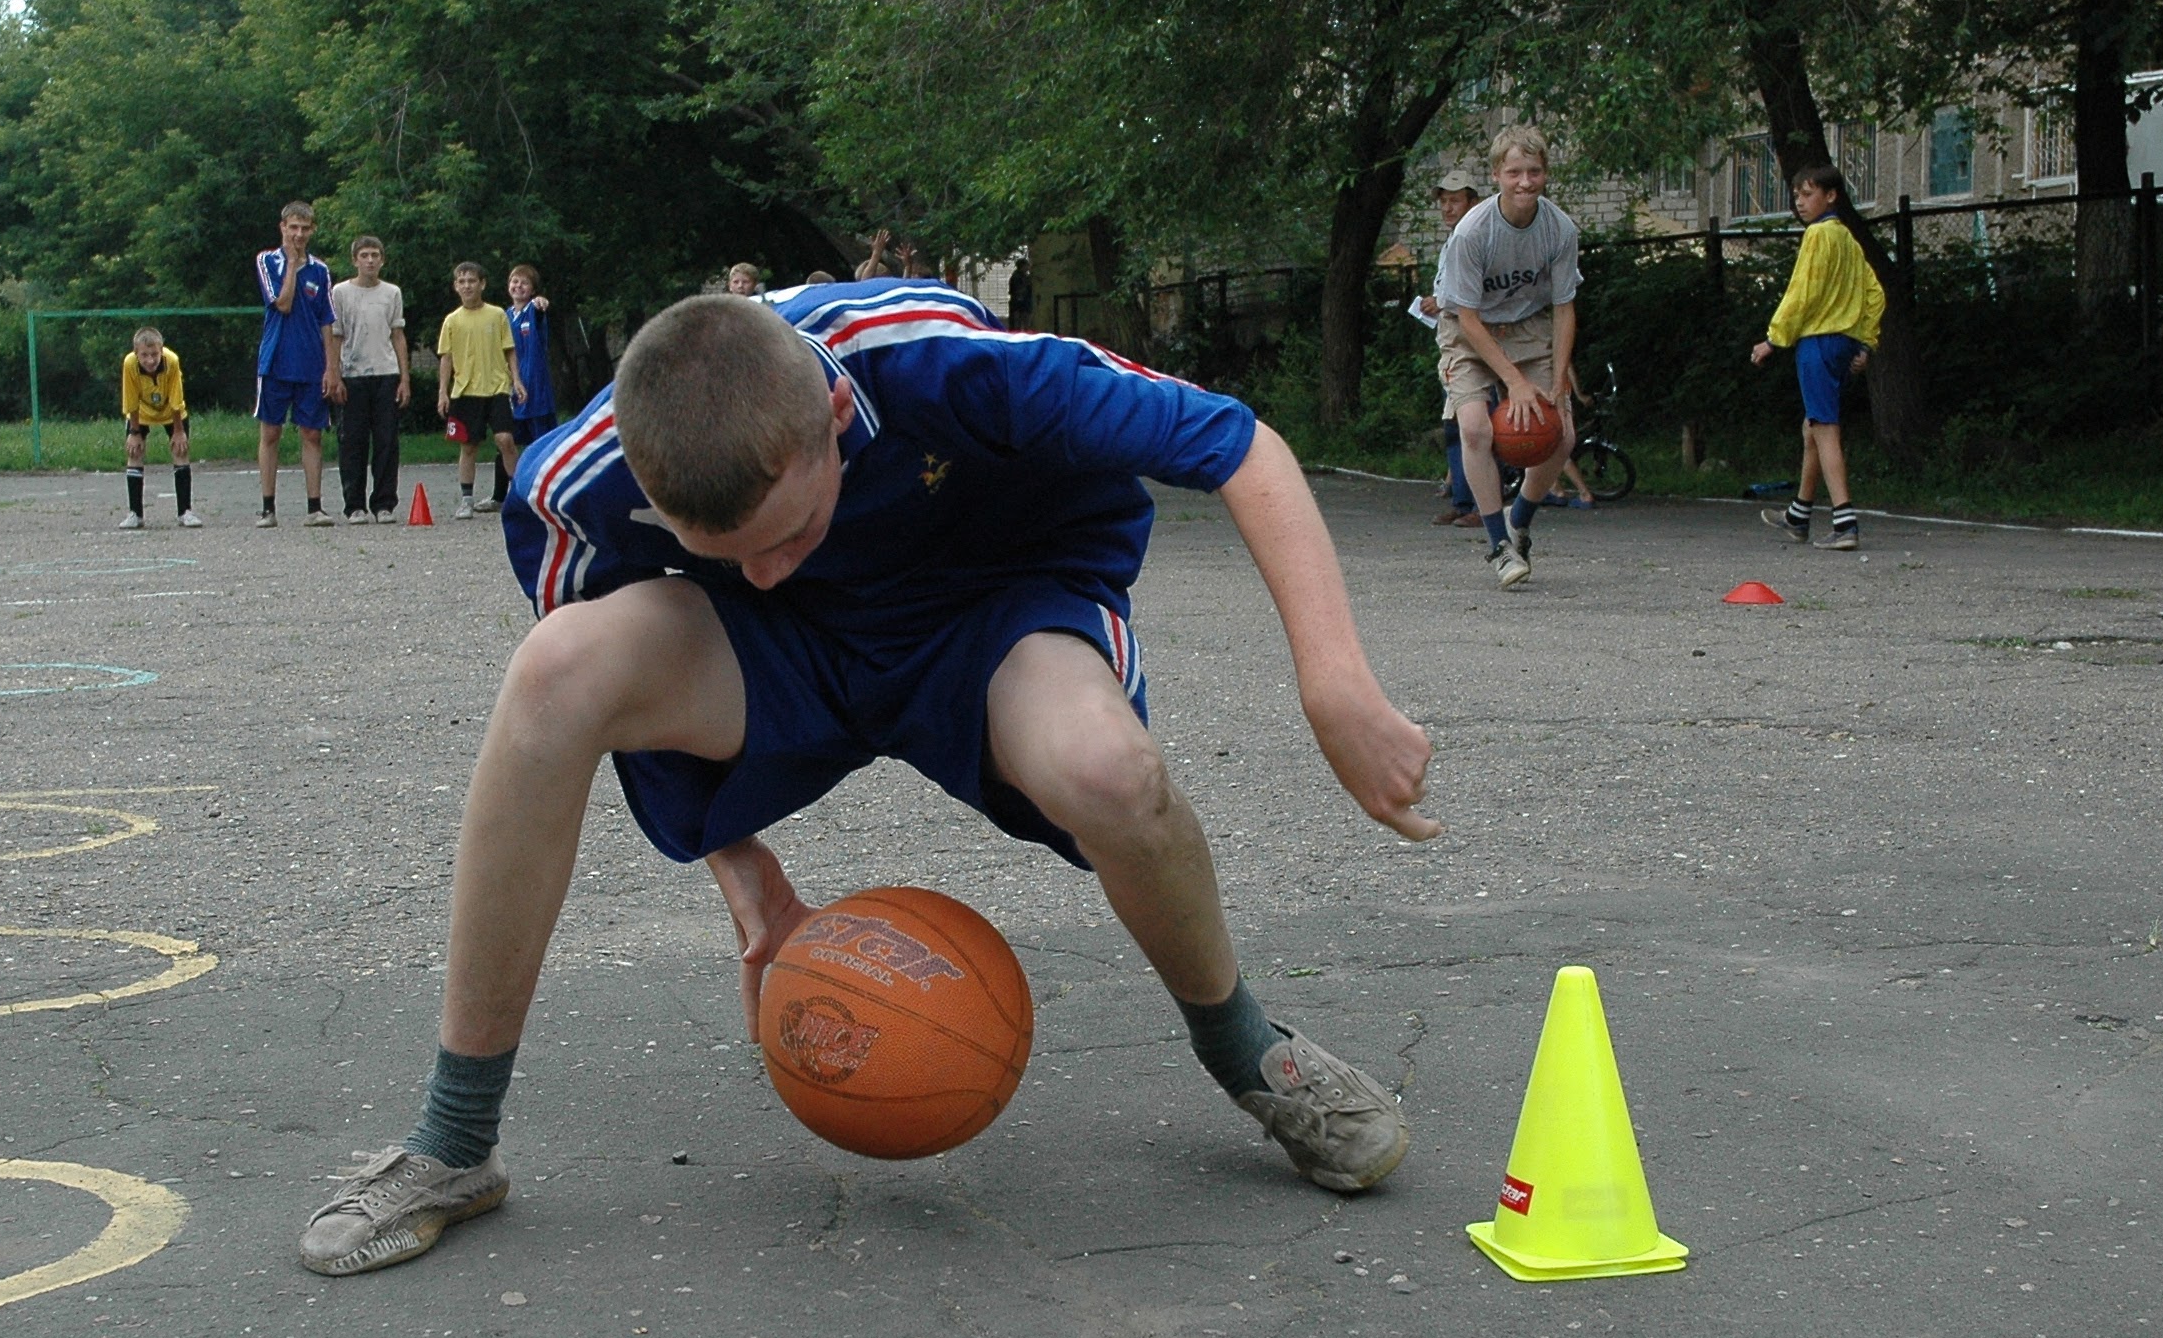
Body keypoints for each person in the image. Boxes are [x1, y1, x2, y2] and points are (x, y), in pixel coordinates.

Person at [296, 281, 1435, 1278]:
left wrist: (1333, 682)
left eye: (788, 530)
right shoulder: (574, 483)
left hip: (987, 612)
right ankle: (455, 1137)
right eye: (728, 550)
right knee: (555, 674)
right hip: (781, 651)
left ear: (835, 419)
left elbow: (1240, 445)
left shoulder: (943, 361)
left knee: (1109, 769)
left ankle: (1248, 1050)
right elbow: (634, 712)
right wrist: (737, 867)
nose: (764, 565)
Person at [1435, 125, 1580, 590]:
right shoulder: (1472, 232)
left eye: (1533, 172)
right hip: (1468, 328)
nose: (1525, 182)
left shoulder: (1560, 229)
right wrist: (1514, 382)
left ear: (1545, 174)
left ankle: (1520, 521)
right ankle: (1498, 545)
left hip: (1526, 325)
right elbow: (1468, 318)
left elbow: (1564, 308)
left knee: (1562, 435)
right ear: (1497, 174)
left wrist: (1558, 381)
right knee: (1475, 427)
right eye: (1514, 172)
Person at [1751, 161, 1883, 551]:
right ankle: (1799, 515)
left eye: (1808, 194)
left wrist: (1774, 339)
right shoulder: (1848, 239)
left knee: (1825, 429)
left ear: (1831, 195)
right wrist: (1866, 344)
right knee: (1812, 427)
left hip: (1818, 344)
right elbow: (1875, 294)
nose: (1800, 202)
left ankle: (1845, 522)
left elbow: (1801, 292)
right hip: (1844, 342)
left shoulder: (1818, 235)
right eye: (1796, 195)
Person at [254, 201, 338, 528]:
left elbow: (327, 320)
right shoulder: (267, 261)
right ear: (283, 228)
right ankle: (268, 508)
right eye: (293, 227)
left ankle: (315, 507)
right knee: (271, 432)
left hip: (310, 363)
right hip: (276, 361)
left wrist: (331, 368)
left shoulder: (320, 271)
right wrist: (291, 263)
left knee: (312, 434)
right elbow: (283, 303)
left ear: (312, 230)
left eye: (304, 228)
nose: (299, 234)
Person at [1408, 167, 1484, 526]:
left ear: (1473, 202)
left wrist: (1442, 302)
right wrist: (1436, 303)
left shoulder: (1478, 238)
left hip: (1472, 342)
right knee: (1454, 425)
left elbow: (1478, 292)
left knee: (1477, 425)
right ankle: (1463, 500)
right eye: (1443, 202)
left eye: (1455, 201)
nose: (1447, 208)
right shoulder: (1452, 241)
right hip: (1451, 341)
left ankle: (1483, 504)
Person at [328, 236, 409, 522]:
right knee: (352, 442)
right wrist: (334, 374)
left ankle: (384, 503)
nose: (370, 260)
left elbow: (397, 335)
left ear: (382, 260)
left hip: (385, 373)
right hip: (352, 374)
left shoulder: (392, 293)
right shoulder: (340, 292)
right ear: (355, 260)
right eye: (364, 255)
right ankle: (354, 505)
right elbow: (335, 336)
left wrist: (404, 378)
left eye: (375, 255)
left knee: (387, 442)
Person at [436, 262, 520, 517]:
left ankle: (519, 494)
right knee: (468, 445)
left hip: (496, 388)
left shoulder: (497, 315)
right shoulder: (452, 320)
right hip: (466, 391)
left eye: (472, 281)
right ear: (455, 286)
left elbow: (509, 350)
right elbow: (446, 357)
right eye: (462, 282)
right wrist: (443, 392)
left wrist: (517, 380)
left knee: (505, 439)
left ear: (482, 284)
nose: (467, 286)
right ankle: (466, 499)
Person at [119, 325, 201, 529]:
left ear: (161, 350)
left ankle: (185, 512)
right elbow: (130, 400)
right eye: (144, 355)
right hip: (142, 412)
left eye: (154, 354)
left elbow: (176, 399)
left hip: (171, 412)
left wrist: (179, 431)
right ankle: (135, 514)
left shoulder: (171, 361)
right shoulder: (129, 364)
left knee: (180, 451)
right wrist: (134, 432)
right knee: (134, 453)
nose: (150, 360)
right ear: (136, 353)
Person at [505, 261, 555, 452]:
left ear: (533, 290)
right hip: (511, 386)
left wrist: (541, 303)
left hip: (535, 387)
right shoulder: (504, 316)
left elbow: (540, 307)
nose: (518, 286)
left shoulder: (534, 311)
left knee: (541, 442)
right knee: (510, 440)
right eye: (514, 281)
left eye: (524, 283)